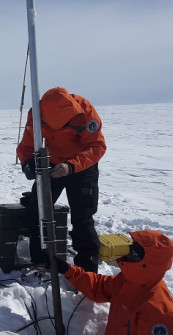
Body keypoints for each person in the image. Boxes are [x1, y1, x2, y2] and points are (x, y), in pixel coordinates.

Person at [55, 230, 173, 335]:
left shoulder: (159, 309)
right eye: (130, 246)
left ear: (148, 261)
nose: (127, 252)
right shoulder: (129, 281)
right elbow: (99, 286)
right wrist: (67, 270)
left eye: (134, 251)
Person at [17, 87, 106, 272]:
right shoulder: (37, 113)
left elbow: (97, 146)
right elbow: (26, 146)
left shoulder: (85, 112)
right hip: (52, 164)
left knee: (83, 218)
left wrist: (71, 166)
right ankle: (40, 261)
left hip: (83, 166)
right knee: (37, 210)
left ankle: (87, 272)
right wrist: (28, 164)